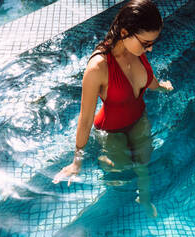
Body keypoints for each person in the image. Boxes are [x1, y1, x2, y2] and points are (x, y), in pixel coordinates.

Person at [52, 0, 173, 218]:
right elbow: (85, 119)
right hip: (111, 130)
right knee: (121, 168)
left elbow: (149, 78)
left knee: (144, 165)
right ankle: (105, 168)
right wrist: (76, 161)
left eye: (153, 42)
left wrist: (161, 87)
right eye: (146, 43)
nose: (151, 48)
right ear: (125, 32)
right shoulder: (98, 68)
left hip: (138, 118)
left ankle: (144, 200)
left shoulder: (136, 51)